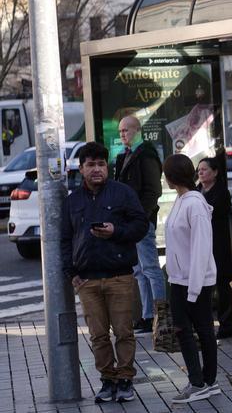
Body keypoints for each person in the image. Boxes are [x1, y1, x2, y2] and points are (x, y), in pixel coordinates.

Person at [61, 142, 148, 403]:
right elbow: (65, 239)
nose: (97, 169)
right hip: (87, 280)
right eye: (91, 165)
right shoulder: (72, 201)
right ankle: (107, 380)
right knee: (98, 336)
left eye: (101, 164)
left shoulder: (122, 193)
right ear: (81, 168)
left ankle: (125, 379)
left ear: (106, 167)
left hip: (119, 276)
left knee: (124, 332)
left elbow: (141, 225)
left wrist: (116, 232)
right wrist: (71, 273)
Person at [162, 154, 221, 404]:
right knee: (192, 330)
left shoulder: (194, 204)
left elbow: (201, 248)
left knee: (196, 331)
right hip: (180, 278)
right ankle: (204, 381)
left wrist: (194, 288)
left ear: (171, 177)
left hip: (193, 280)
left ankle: (202, 382)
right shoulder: (182, 200)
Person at [114, 115, 165, 335]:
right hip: (130, 223)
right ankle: (146, 316)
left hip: (141, 222)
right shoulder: (125, 156)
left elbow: (153, 191)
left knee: (150, 269)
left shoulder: (146, 154)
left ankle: (161, 316)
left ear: (137, 130)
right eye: (120, 131)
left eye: (126, 130)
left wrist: (141, 217)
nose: (122, 135)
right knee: (139, 271)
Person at [197, 157, 232, 338]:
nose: (201, 172)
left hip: (218, 244)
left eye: (204, 169)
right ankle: (205, 324)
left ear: (215, 172)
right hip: (201, 244)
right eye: (199, 170)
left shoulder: (221, 192)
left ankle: (226, 325)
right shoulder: (197, 191)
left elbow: (213, 213)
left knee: (222, 284)